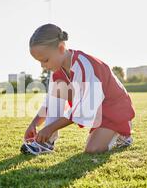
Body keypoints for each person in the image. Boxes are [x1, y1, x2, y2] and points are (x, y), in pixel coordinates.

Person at [21, 24, 135, 155]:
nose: (43, 66)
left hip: (114, 109)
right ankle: (47, 143)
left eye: (45, 60)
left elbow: (84, 109)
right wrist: (34, 124)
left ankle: (123, 133)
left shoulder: (85, 65)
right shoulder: (57, 70)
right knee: (56, 93)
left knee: (93, 150)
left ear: (61, 48)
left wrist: (50, 128)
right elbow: (50, 103)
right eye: (39, 62)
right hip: (95, 109)